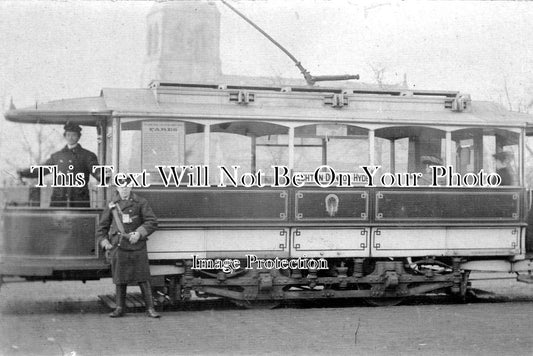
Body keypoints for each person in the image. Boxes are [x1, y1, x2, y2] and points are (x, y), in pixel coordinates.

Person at [96, 180, 160, 318]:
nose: (124, 190)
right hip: (119, 245)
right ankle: (119, 308)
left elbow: (152, 221)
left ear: (131, 187)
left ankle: (150, 308)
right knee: (120, 278)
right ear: (117, 188)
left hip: (137, 244)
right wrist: (105, 242)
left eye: (126, 186)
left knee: (143, 277)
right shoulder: (112, 205)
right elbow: (102, 228)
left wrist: (139, 233)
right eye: (121, 187)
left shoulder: (141, 202)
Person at [17, 122, 99, 207]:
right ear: (65, 136)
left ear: (78, 137)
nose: (70, 137)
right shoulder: (56, 157)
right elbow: (41, 170)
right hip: (59, 201)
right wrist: (23, 172)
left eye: (74, 135)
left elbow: (96, 170)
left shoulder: (88, 156)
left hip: (79, 201)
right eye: (68, 135)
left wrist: (102, 175)